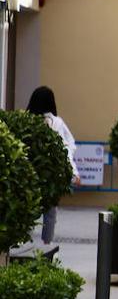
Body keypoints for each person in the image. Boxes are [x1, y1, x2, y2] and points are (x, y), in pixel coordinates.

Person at [26, 86, 78, 244]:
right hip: (51, 177)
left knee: (28, 211)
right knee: (50, 214)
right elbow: (68, 147)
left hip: (30, 175)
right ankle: (46, 247)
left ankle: (23, 246)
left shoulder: (25, 121)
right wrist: (74, 172)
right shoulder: (57, 123)